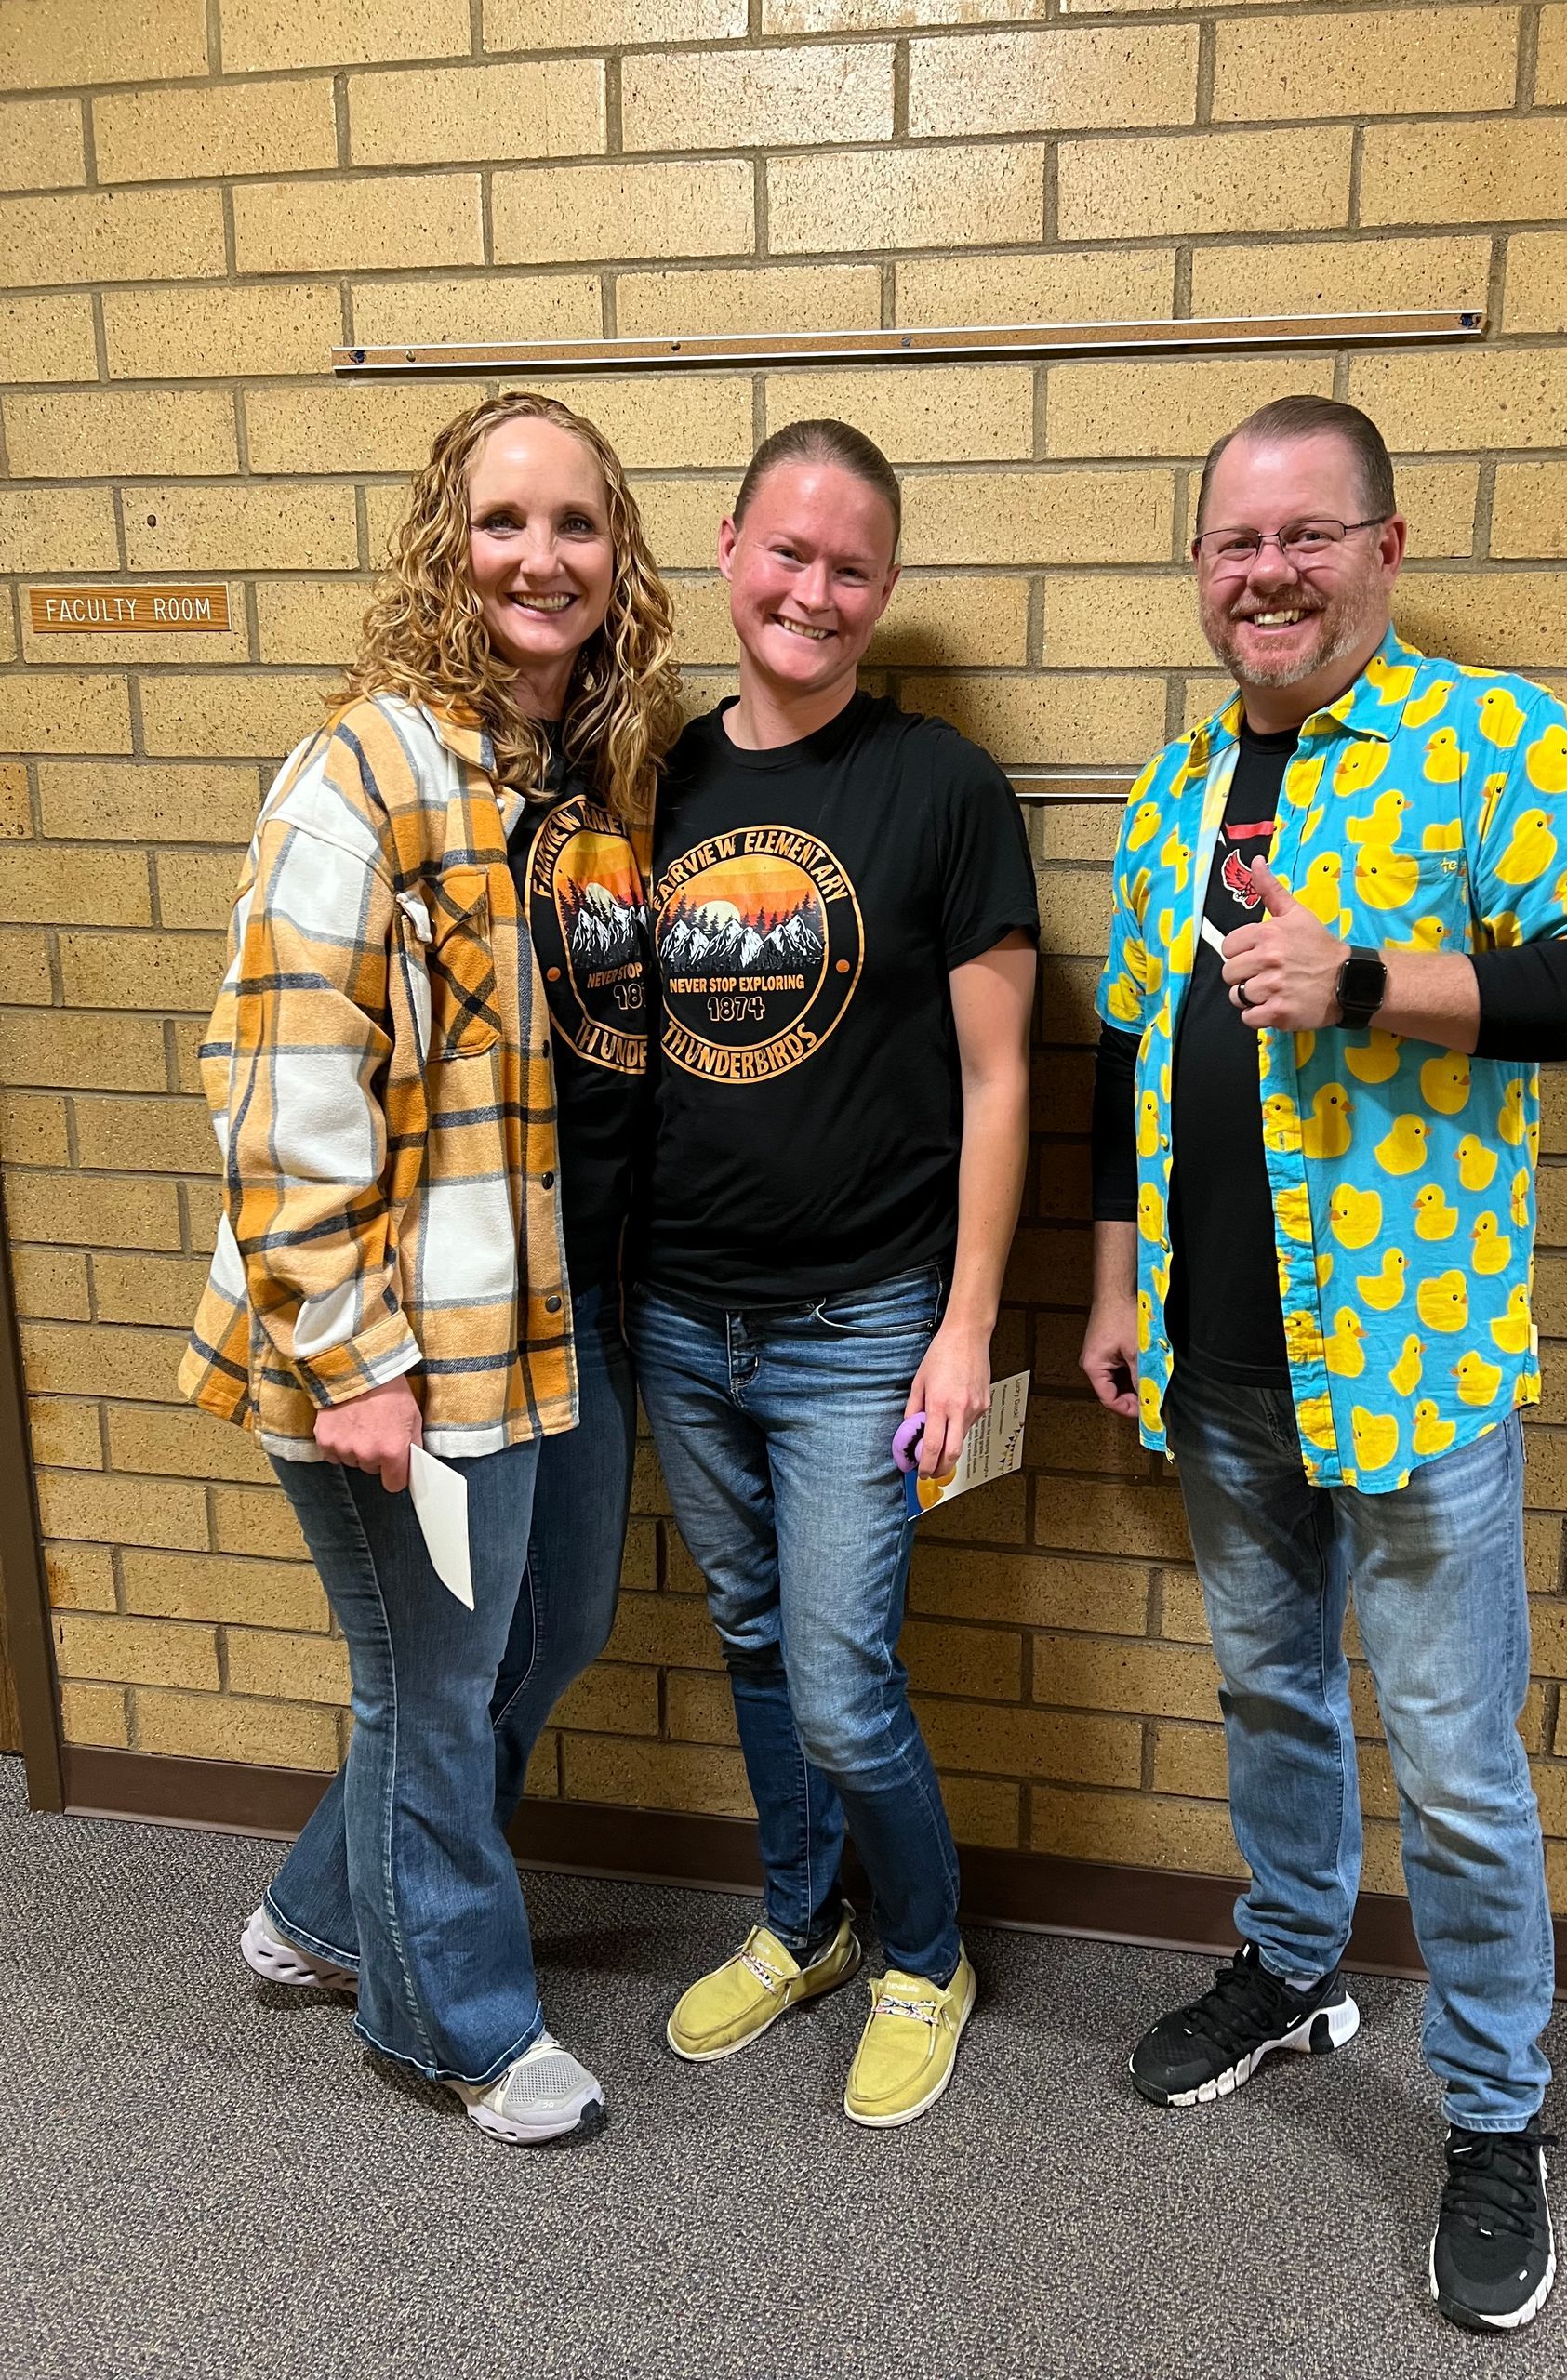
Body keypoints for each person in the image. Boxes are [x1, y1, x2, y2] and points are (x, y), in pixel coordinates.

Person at [1079, 395, 1567, 2330]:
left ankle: (1497, 2113)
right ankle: (1292, 1963)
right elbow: (1123, 1061)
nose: (1267, 571)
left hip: (1413, 1372)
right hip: (1219, 1366)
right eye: (1234, 541)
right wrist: (1113, 1285)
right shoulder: (1175, 792)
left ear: (1385, 545)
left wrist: (1368, 981)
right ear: (1200, 569)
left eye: (1307, 535)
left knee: (1455, 1765)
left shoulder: (1491, 746)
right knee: (1269, 1692)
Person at [179, 390, 681, 2144]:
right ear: (440, 548)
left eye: (577, 526)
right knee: (434, 1680)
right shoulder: (366, 770)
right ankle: (450, 2020)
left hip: (553, 1318)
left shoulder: (590, 783)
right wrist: (353, 1356)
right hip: (395, 1344)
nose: (540, 558)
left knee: (553, 1635)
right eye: (502, 522)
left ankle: (320, 1912)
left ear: (619, 560)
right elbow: (278, 1076)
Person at [626, 419, 1038, 2128]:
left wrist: (964, 1331)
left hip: (861, 1318)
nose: (812, 589)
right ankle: (803, 1922)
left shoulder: (937, 787)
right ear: (727, 550)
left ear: (885, 589)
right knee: (747, 1635)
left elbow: (1008, 1079)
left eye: (850, 566)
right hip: (673, 1307)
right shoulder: (647, 782)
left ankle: (925, 1954)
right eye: (785, 553)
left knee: (846, 1680)